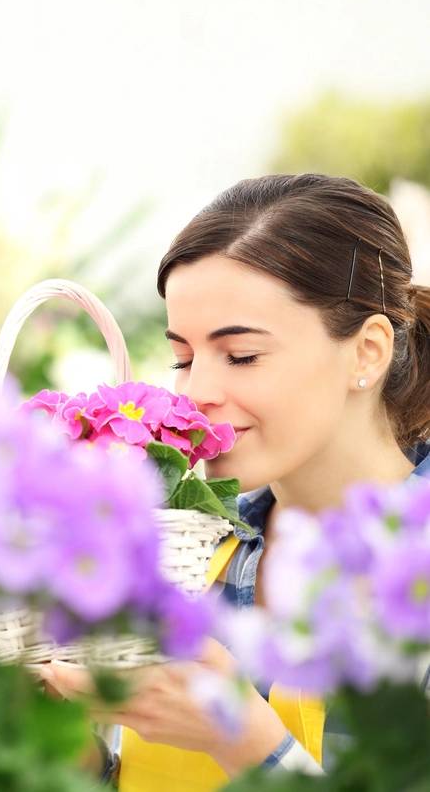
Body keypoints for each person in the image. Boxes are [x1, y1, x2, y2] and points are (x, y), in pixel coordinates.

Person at [41, 173, 430, 789]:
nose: (196, 395)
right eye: (183, 359)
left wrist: (244, 739)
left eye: (242, 356)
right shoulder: (187, 553)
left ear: (367, 351)